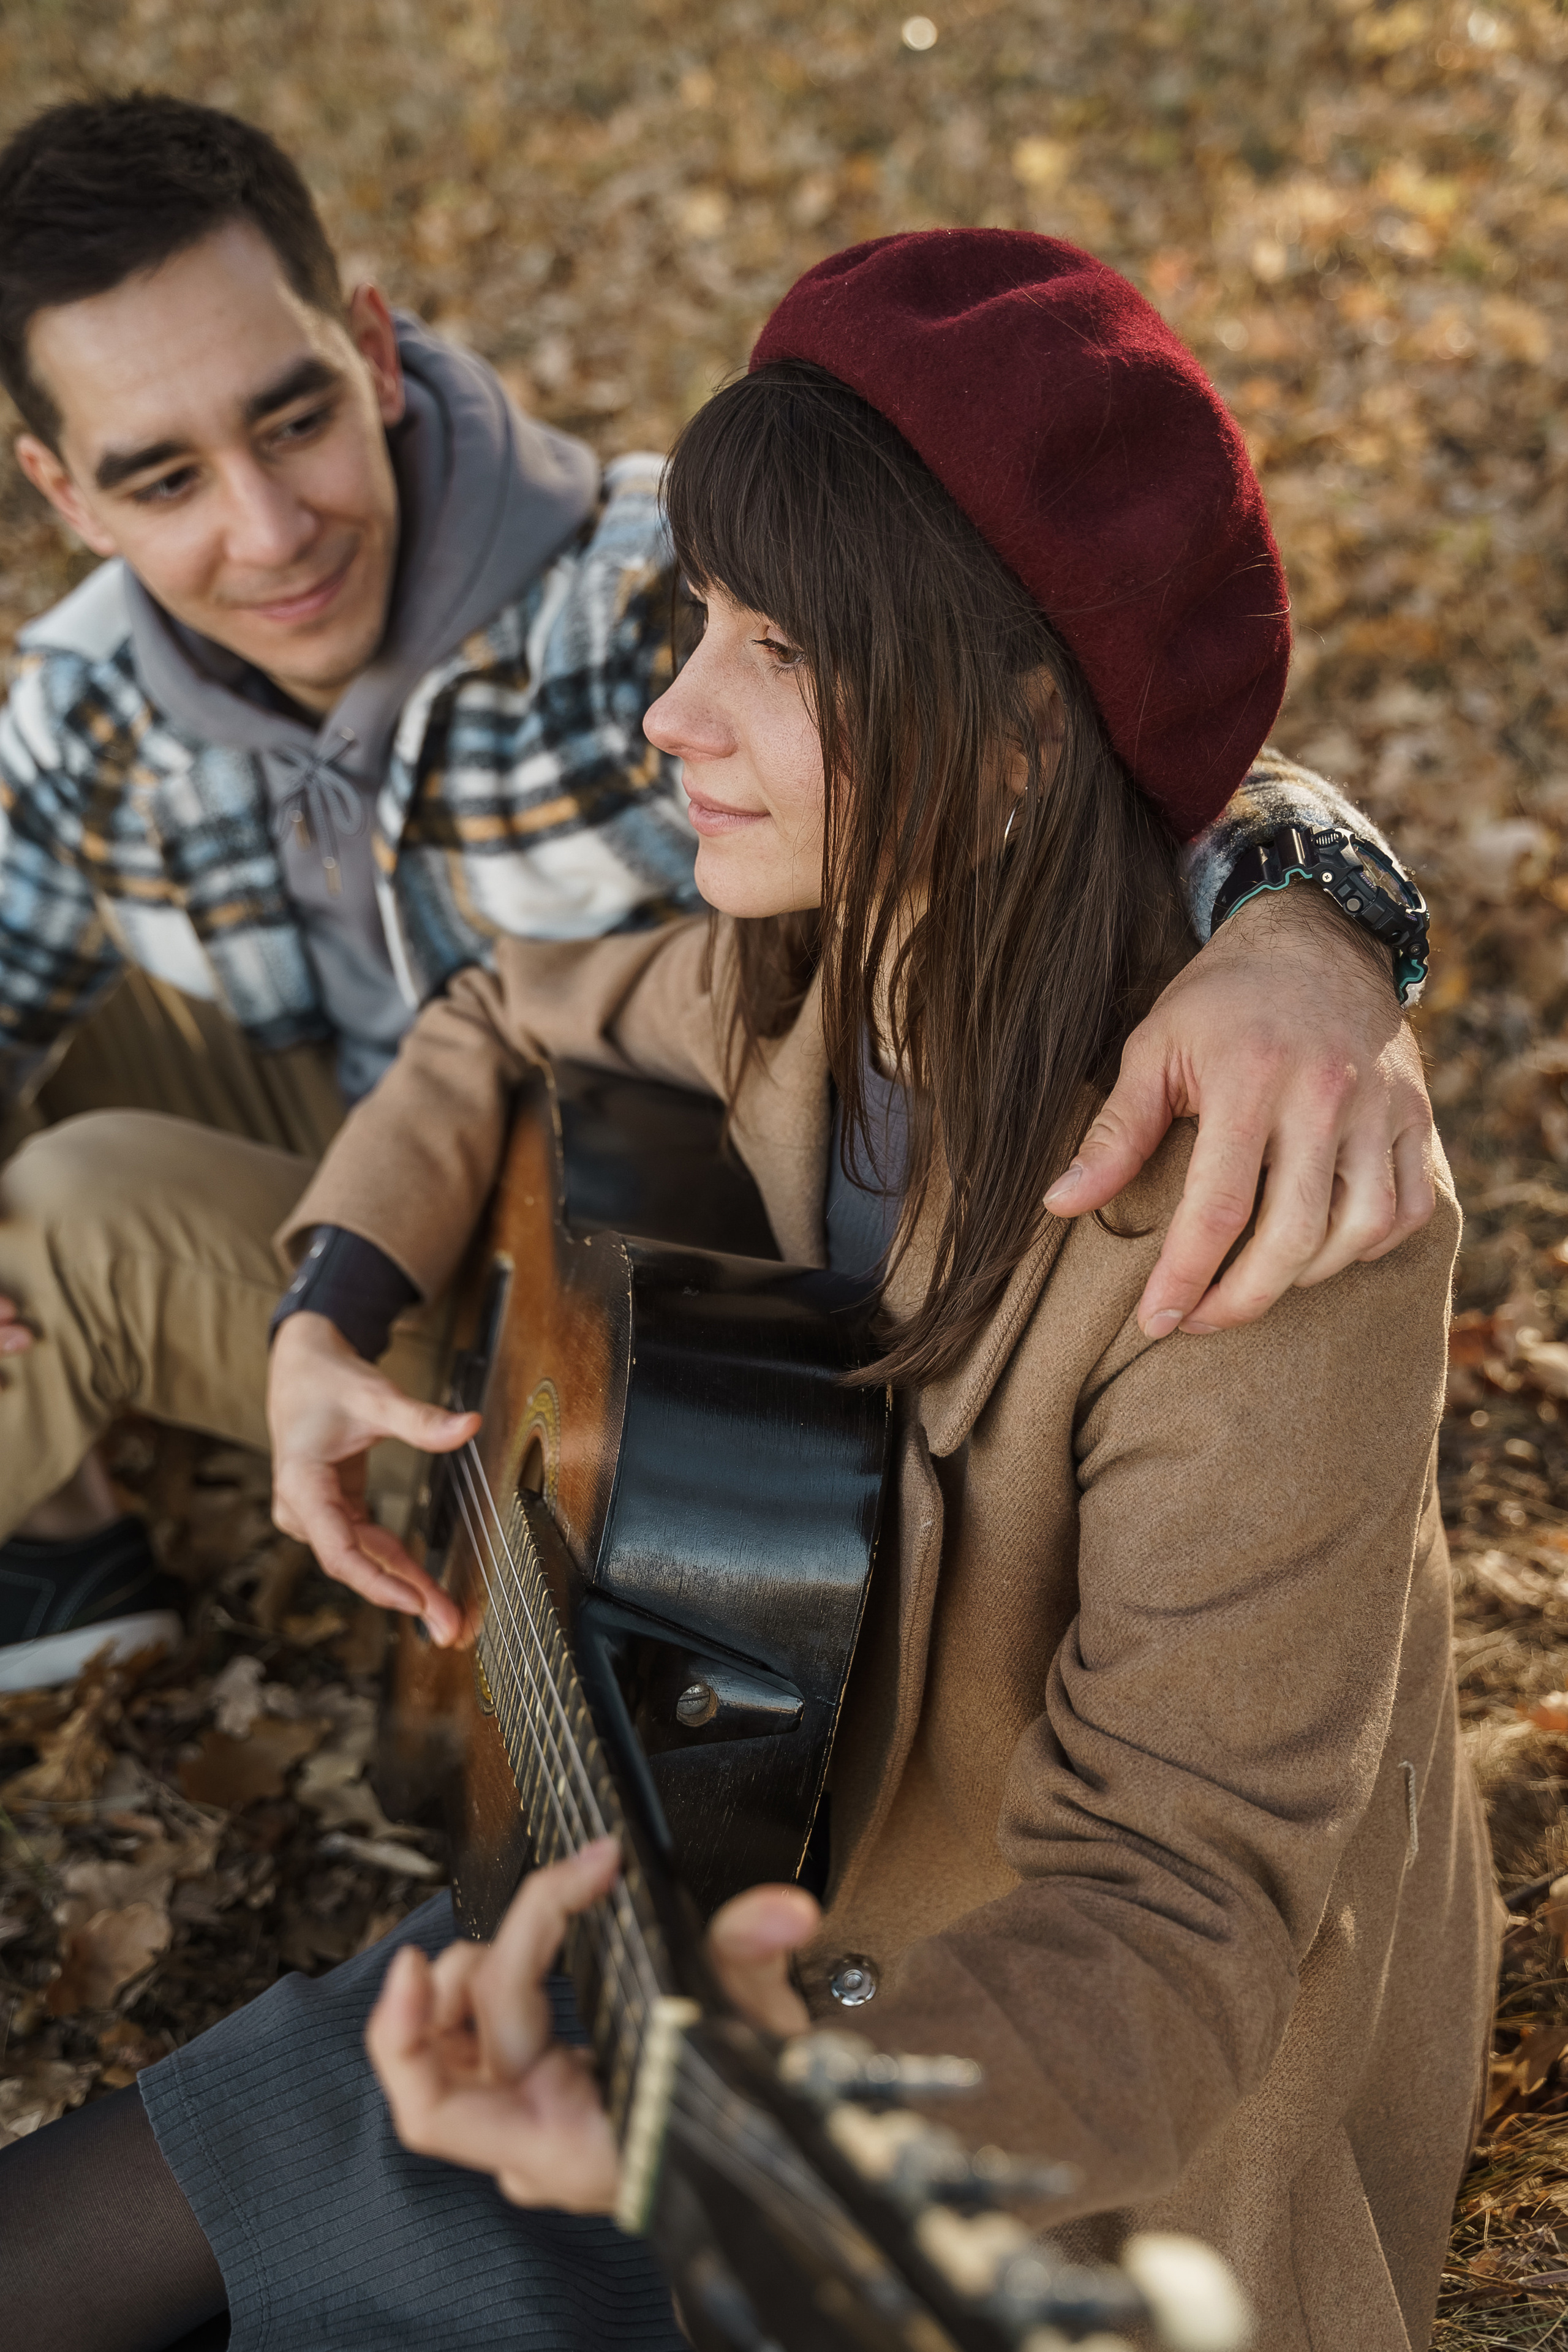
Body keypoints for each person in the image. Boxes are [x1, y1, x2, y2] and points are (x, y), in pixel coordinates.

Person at [0, 230, 1490, 2352]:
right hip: (694, 1858)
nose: (676, 708)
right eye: (706, 615)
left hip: (1011, 2124)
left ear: (1011, 730)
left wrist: (724, 2113)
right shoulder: (811, 968)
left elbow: (1173, 1920)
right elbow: (507, 1014)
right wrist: (329, 1307)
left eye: (777, 652)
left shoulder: (1258, 1220)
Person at [0, 97, 1439, 1690]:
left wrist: (1314, 925)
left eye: (293, 423)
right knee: (54, 1053)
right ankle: (58, 1510)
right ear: (64, 495)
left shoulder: (641, 592)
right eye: (161, 482)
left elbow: (1090, 731)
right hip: (390, 1096)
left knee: (61, 1225)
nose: (267, 534)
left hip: (592, 1239)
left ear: (372, 347)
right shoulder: (78, 710)